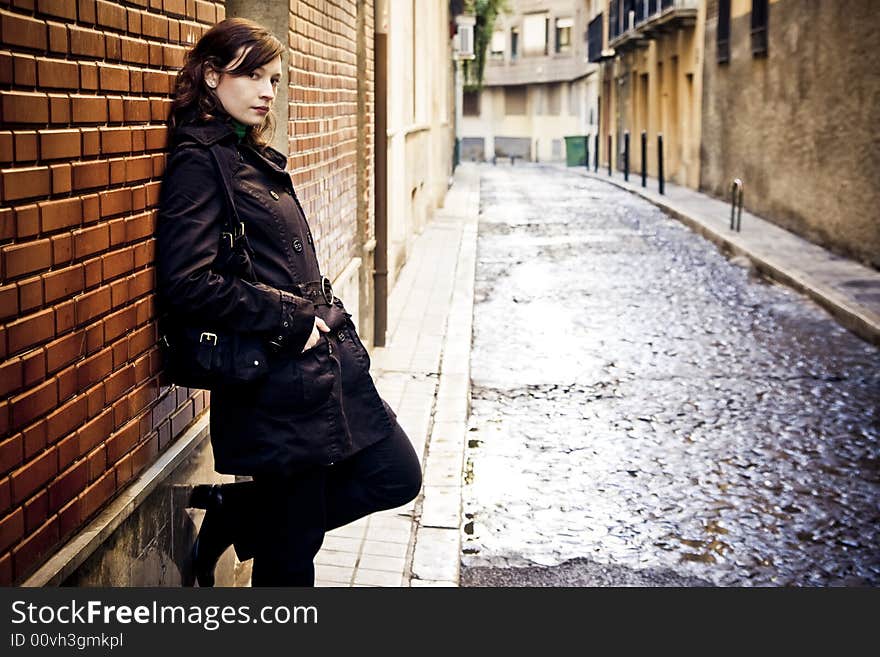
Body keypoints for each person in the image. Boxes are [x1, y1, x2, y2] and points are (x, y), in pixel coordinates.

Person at [156, 18, 422, 587]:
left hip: (315, 371)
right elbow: (188, 281)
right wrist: (292, 318)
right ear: (209, 75)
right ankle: (256, 523)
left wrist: (324, 323)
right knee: (289, 562)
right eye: (250, 75)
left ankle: (239, 514)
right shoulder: (200, 163)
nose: (266, 91)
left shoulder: (244, 154)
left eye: (273, 79)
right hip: (276, 387)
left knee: (396, 475)